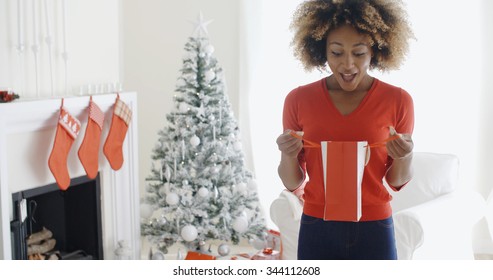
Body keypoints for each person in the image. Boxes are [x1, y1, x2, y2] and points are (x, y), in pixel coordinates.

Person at [276, 0, 415, 260]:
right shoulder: (298, 100)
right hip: (317, 226)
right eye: (337, 53)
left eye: (359, 53)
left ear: (376, 51)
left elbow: (396, 181)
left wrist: (405, 156)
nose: (348, 65)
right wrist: (288, 154)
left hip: (375, 227)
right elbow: (293, 181)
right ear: (321, 50)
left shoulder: (398, 101)